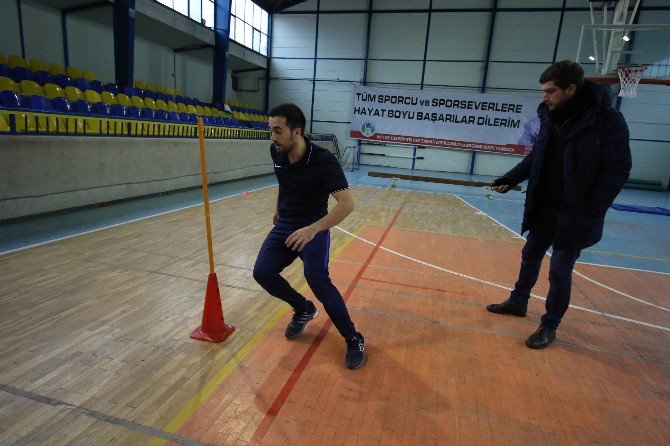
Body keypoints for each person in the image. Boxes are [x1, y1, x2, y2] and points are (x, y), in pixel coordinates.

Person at [487, 60, 631, 349]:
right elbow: (536, 156)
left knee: (560, 271)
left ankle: (549, 325)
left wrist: (592, 210)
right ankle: (518, 301)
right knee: (530, 254)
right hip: (544, 206)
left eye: (550, 91)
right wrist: (511, 177)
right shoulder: (549, 115)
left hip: (576, 213)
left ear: (571, 89)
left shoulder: (606, 120)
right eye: (543, 91)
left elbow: (618, 169)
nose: (544, 97)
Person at [253, 103, 365, 369]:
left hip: (313, 226)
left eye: (278, 131)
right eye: (270, 131)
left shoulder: (324, 160)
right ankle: (303, 308)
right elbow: (284, 181)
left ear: (297, 132)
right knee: (262, 272)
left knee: (317, 278)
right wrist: (278, 207)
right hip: (287, 223)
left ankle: (353, 338)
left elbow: (347, 204)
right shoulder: (277, 151)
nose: (273, 138)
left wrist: (313, 229)